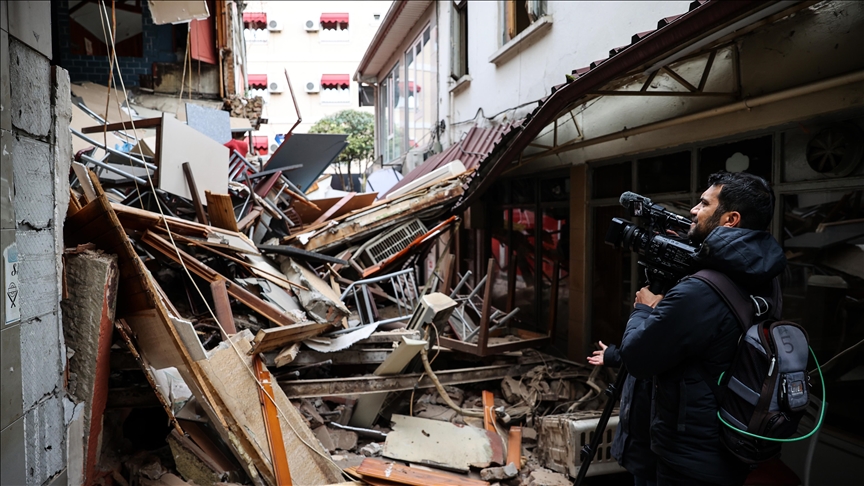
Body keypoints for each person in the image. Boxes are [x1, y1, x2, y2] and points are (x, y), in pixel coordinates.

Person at [619, 171, 785, 486]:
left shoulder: (700, 291)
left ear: (731, 219)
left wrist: (645, 307)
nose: (693, 211)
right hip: (732, 439)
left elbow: (636, 358)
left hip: (688, 457)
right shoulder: (768, 277)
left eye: (704, 204)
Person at [588, 341, 657, 486]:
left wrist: (618, 356)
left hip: (655, 425)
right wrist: (618, 356)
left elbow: (655, 353)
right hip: (640, 425)